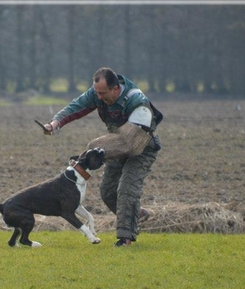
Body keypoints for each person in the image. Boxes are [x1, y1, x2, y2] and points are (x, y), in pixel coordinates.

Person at [43, 67, 162, 247]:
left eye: (103, 93)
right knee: (107, 191)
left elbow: (131, 145)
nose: (99, 97)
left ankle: (125, 238)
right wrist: (55, 123)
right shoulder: (98, 93)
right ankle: (135, 214)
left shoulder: (137, 102)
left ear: (115, 89)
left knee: (127, 188)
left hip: (142, 146)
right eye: (96, 93)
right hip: (116, 145)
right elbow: (77, 107)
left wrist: (94, 149)